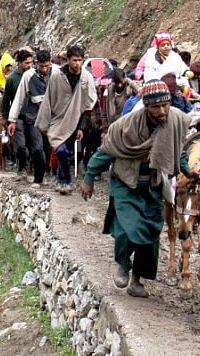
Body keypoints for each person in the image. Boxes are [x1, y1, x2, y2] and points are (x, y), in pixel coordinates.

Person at [79, 80, 193, 297]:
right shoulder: (126, 126)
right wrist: (89, 177)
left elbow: (179, 151)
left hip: (153, 184)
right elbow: (106, 151)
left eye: (166, 105)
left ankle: (137, 279)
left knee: (150, 233)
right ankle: (123, 264)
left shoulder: (174, 122)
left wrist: (188, 171)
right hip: (126, 183)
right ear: (146, 106)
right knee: (126, 229)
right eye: (156, 107)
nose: (162, 111)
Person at [36, 45, 97, 194]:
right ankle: (68, 180)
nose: (77, 64)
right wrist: (44, 123)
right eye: (74, 60)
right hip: (57, 120)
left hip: (76, 120)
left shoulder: (86, 77)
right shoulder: (57, 76)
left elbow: (88, 104)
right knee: (61, 151)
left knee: (67, 151)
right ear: (68, 60)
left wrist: (81, 127)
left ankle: (60, 179)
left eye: (80, 60)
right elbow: (49, 100)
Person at [8, 49, 53, 188]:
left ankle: (50, 174)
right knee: (37, 148)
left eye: (47, 66)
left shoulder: (57, 73)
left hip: (53, 115)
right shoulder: (28, 76)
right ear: (36, 63)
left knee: (49, 147)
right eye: (41, 66)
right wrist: (12, 119)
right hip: (34, 116)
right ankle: (38, 179)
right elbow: (19, 97)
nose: (45, 69)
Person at [1, 49, 33, 174]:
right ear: (18, 63)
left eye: (31, 63)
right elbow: (6, 99)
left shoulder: (34, 75)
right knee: (21, 145)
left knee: (35, 145)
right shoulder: (12, 79)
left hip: (33, 115)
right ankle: (21, 168)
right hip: (18, 116)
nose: (29, 66)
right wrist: (5, 117)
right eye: (26, 63)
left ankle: (32, 167)